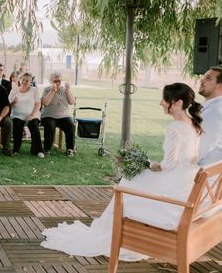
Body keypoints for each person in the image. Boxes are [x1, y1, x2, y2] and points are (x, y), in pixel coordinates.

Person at [42, 82, 202, 261]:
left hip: (172, 184)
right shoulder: (193, 123)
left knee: (127, 182)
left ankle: (114, 236)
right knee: (133, 179)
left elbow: (167, 166)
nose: (161, 103)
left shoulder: (175, 129)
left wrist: (145, 162)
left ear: (178, 103)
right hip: (184, 182)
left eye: (164, 99)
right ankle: (119, 233)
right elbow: (189, 159)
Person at [198, 67, 222, 166]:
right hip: (201, 171)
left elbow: (200, 149)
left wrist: (174, 164)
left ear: (221, 86)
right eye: (204, 77)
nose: (202, 80)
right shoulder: (214, 107)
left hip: (203, 175)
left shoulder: (216, 113)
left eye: (208, 78)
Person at [40, 72, 76, 156]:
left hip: (64, 116)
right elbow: (45, 103)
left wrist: (68, 91)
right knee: (50, 126)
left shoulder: (65, 90)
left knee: (70, 125)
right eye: (55, 81)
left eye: (59, 81)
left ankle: (70, 149)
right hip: (49, 115)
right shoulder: (47, 89)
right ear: (51, 81)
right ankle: (47, 149)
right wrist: (52, 91)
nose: (57, 83)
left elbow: (72, 102)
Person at [10, 73, 43, 157]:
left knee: (34, 125)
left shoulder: (34, 90)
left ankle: (38, 150)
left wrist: (32, 116)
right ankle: (16, 149)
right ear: (20, 80)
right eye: (23, 80)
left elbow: (38, 104)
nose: (24, 82)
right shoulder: (14, 90)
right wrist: (13, 102)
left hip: (32, 114)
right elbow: (9, 106)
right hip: (17, 115)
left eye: (27, 80)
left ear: (30, 82)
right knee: (17, 124)